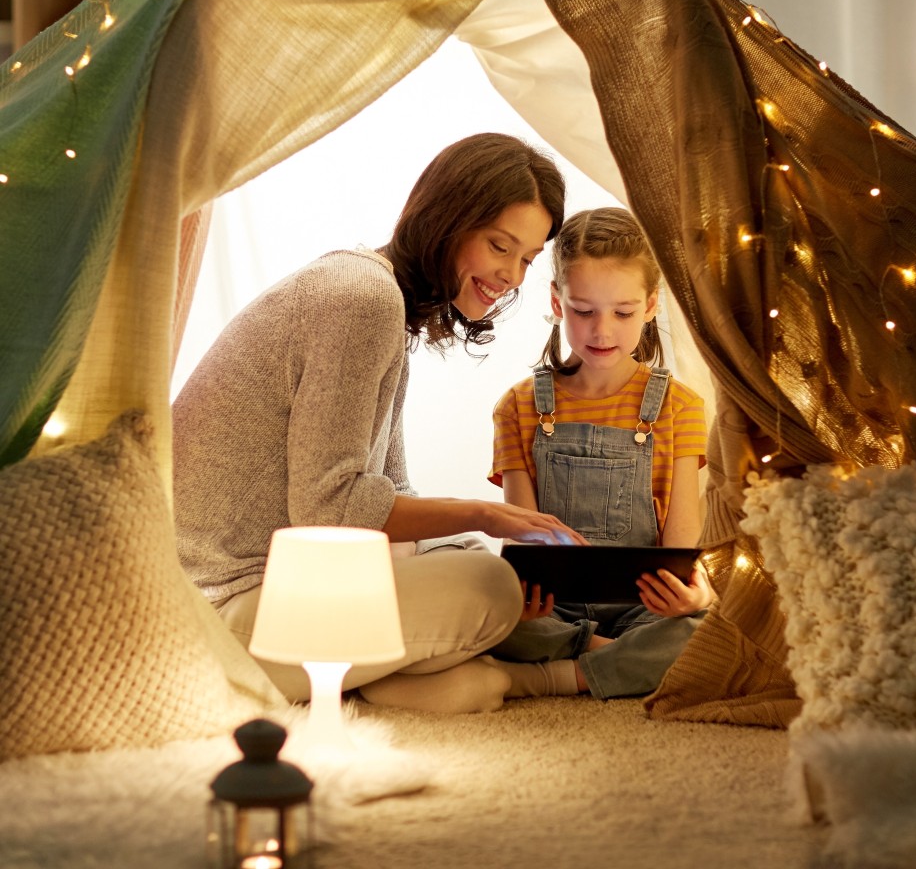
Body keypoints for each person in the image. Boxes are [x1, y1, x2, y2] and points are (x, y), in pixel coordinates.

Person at [173, 132, 587, 715]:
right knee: (488, 589)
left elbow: (390, 488)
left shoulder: (379, 299)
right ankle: (529, 677)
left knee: (482, 568)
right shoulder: (361, 298)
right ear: (449, 219)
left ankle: (389, 680)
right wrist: (484, 514)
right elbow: (331, 509)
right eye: (500, 246)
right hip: (221, 613)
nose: (513, 277)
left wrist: (469, 541)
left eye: (527, 258)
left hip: (268, 596)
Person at [486, 206, 713, 699]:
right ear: (556, 300)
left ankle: (562, 673)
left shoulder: (680, 406)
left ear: (651, 304)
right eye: (583, 311)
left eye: (623, 312)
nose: (602, 331)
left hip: (643, 606)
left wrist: (691, 593)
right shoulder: (518, 406)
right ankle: (609, 660)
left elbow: (683, 541)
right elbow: (523, 536)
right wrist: (521, 595)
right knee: (490, 616)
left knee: (700, 631)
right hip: (554, 609)